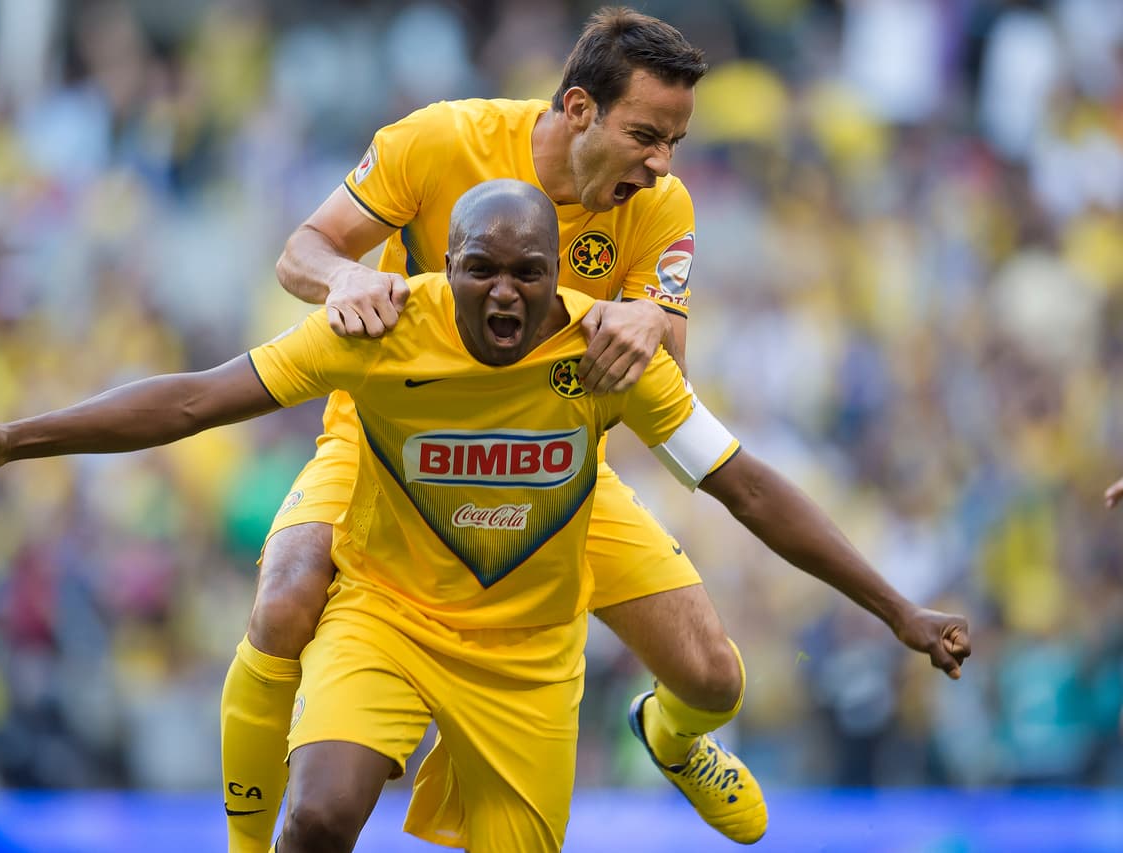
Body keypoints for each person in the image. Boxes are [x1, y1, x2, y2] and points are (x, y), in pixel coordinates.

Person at [0, 181, 970, 852]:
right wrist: (15, 439)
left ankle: (670, 732)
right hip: (387, 612)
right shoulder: (379, 332)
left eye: (531, 271)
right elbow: (194, 398)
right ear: (446, 270)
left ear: (563, 272)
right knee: (321, 812)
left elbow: (743, 483)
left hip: (525, 651)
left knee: (712, 672)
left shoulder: (607, 356)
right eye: (481, 269)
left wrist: (895, 611)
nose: (506, 292)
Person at [222, 8, 961, 850]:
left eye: (675, 140)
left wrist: (650, 316)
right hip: (390, 447)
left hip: (546, 465)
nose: (661, 162)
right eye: (646, 133)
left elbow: (666, 374)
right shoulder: (437, 142)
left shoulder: (659, 205)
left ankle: (671, 735)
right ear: (578, 109)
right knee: (284, 599)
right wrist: (348, 277)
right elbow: (303, 251)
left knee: (713, 677)